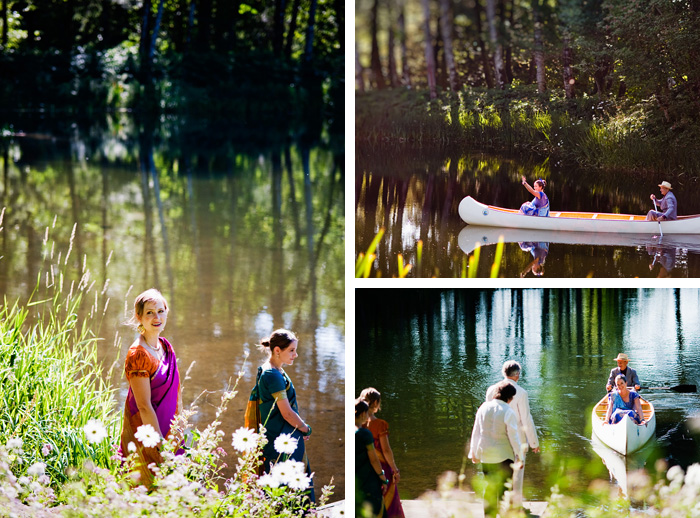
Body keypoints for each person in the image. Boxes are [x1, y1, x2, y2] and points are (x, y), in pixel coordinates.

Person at [120, 288, 182, 488]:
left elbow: (177, 391)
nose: (157, 317)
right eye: (150, 312)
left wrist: (179, 427)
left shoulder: (165, 346)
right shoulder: (138, 354)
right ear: (139, 317)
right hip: (149, 433)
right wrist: (160, 446)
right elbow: (144, 406)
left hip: (171, 431)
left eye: (161, 311)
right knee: (146, 489)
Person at [256, 329, 315, 501]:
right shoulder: (272, 375)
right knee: (287, 487)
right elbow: (287, 413)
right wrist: (305, 429)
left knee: (289, 483)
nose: (295, 355)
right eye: (292, 350)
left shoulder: (274, 370)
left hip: (286, 434)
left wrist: (298, 429)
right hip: (281, 440)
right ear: (277, 350)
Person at [485, 361, 540, 507]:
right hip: (515, 438)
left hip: (494, 437)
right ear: (516, 375)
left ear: (504, 373)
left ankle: (496, 504)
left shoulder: (491, 389)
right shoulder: (521, 392)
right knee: (517, 474)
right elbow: (526, 419)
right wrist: (533, 442)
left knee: (496, 471)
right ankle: (515, 504)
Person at [469, 381, 522, 518]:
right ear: (509, 398)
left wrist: (473, 452)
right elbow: (513, 436)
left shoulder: (483, 407)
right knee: (504, 489)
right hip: (504, 456)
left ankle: (489, 516)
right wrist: (519, 455)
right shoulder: (508, 411)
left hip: (486, 454)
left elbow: (476, 431)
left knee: (490, 487)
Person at [360, 388, 405, 518]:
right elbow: (386, 450)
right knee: (389, 500)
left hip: (364, 468)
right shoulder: (379, 425)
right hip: (382, 468)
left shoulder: (357, 424)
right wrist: (395, 470)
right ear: (376, 404)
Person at [356, 398, 388, 518]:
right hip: (368, 479)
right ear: (363, 414)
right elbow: (374, 460)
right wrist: (383, 478)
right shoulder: (364, 434)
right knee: (376, 510)